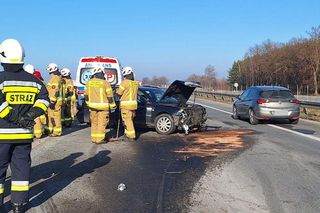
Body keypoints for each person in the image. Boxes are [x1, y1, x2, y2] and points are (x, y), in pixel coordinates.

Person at [0, 39, 49, 212]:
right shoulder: (34, 81)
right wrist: (30, 115)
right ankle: (19, 205)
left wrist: (15, 117)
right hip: (24, 135)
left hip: (2, 135)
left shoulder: (1, 79)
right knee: (21, 170)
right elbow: (44, 100)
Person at [84, 67, 116, 143]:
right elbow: (110, 96)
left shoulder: (89, 82)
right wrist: (113, 106)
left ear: (94, 74)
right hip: (103, 107)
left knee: (94, 123)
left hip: (92, 107)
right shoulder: (105, 83)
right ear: (101, 74)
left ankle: (94, 138)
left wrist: (88, 104)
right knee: (102, 123)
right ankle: (99, 139)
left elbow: (86, 95)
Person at [116, 66, 139, 142]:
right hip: (133, 106)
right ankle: (127, 134)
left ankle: (131, 136)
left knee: (127, 121)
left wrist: (116, 91)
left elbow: (119, 93)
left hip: (126, 106)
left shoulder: (124, 82)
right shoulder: (135, 83)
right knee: (130, 120)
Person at [46, 63, 63, 136]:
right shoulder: (55, 77)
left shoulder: (55, 78)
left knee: (56, 117)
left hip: (55, 102)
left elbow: (54, 90)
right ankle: (52, 130)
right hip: (54, 101)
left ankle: (57, 132)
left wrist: (52, 101)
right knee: (52, 116)